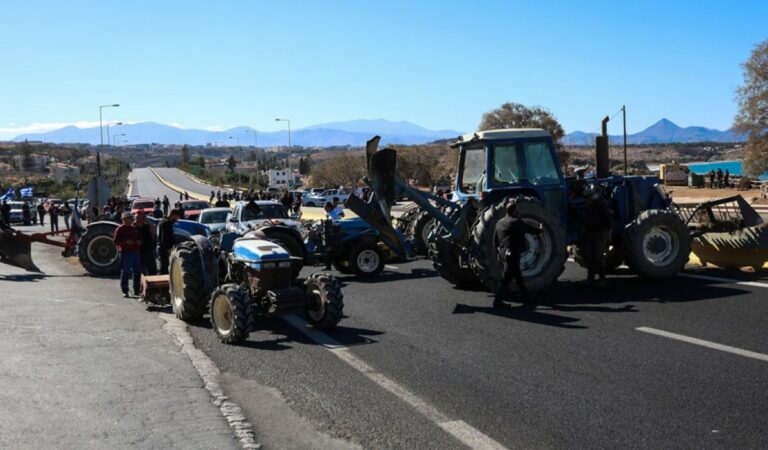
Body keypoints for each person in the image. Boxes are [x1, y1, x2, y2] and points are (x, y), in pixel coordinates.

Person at [493, 200, 542, 307]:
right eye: (517, 210)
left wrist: (498, 252)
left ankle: (526, 297)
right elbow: (529, 229)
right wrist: (540, 230)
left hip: (503, 252)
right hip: (512, 252)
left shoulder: (500, 222)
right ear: (515, 211)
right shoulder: (516, 222)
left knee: (517, 275)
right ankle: (497, 301)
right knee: (506, 277)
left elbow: (495, 239)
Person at [582, 188, 613, 286]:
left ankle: (602, 278)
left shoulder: (601, 205)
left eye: (587, 198)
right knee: (590, 256)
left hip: (600, 233)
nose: (586, 199)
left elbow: (608, 222)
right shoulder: (588, 206)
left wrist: (609, 235)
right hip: (590, 233)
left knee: (599, 256)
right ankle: (590, 278)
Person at [113, 212, 142, 297]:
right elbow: (115, 241)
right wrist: (125, 241)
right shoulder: (120, 229)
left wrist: (139, 241)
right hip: (125, 253)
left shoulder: (134, 228)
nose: (128, 220)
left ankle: (136, 290)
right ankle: (125, 291)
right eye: (126, 219)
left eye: (129, 218)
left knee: (137, 272)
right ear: (123, 220)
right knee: (126, 271)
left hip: (136, 252)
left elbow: (139, 238)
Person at [157, 209, 180, 274]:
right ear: (173, 215)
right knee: (165, 268)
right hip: (164, 250)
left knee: (163, 267)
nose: (176, 220)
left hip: (162, 248)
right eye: (176, 218)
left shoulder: (162, 221)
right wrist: (168, 249)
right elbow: (164, 238)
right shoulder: (166, 223)